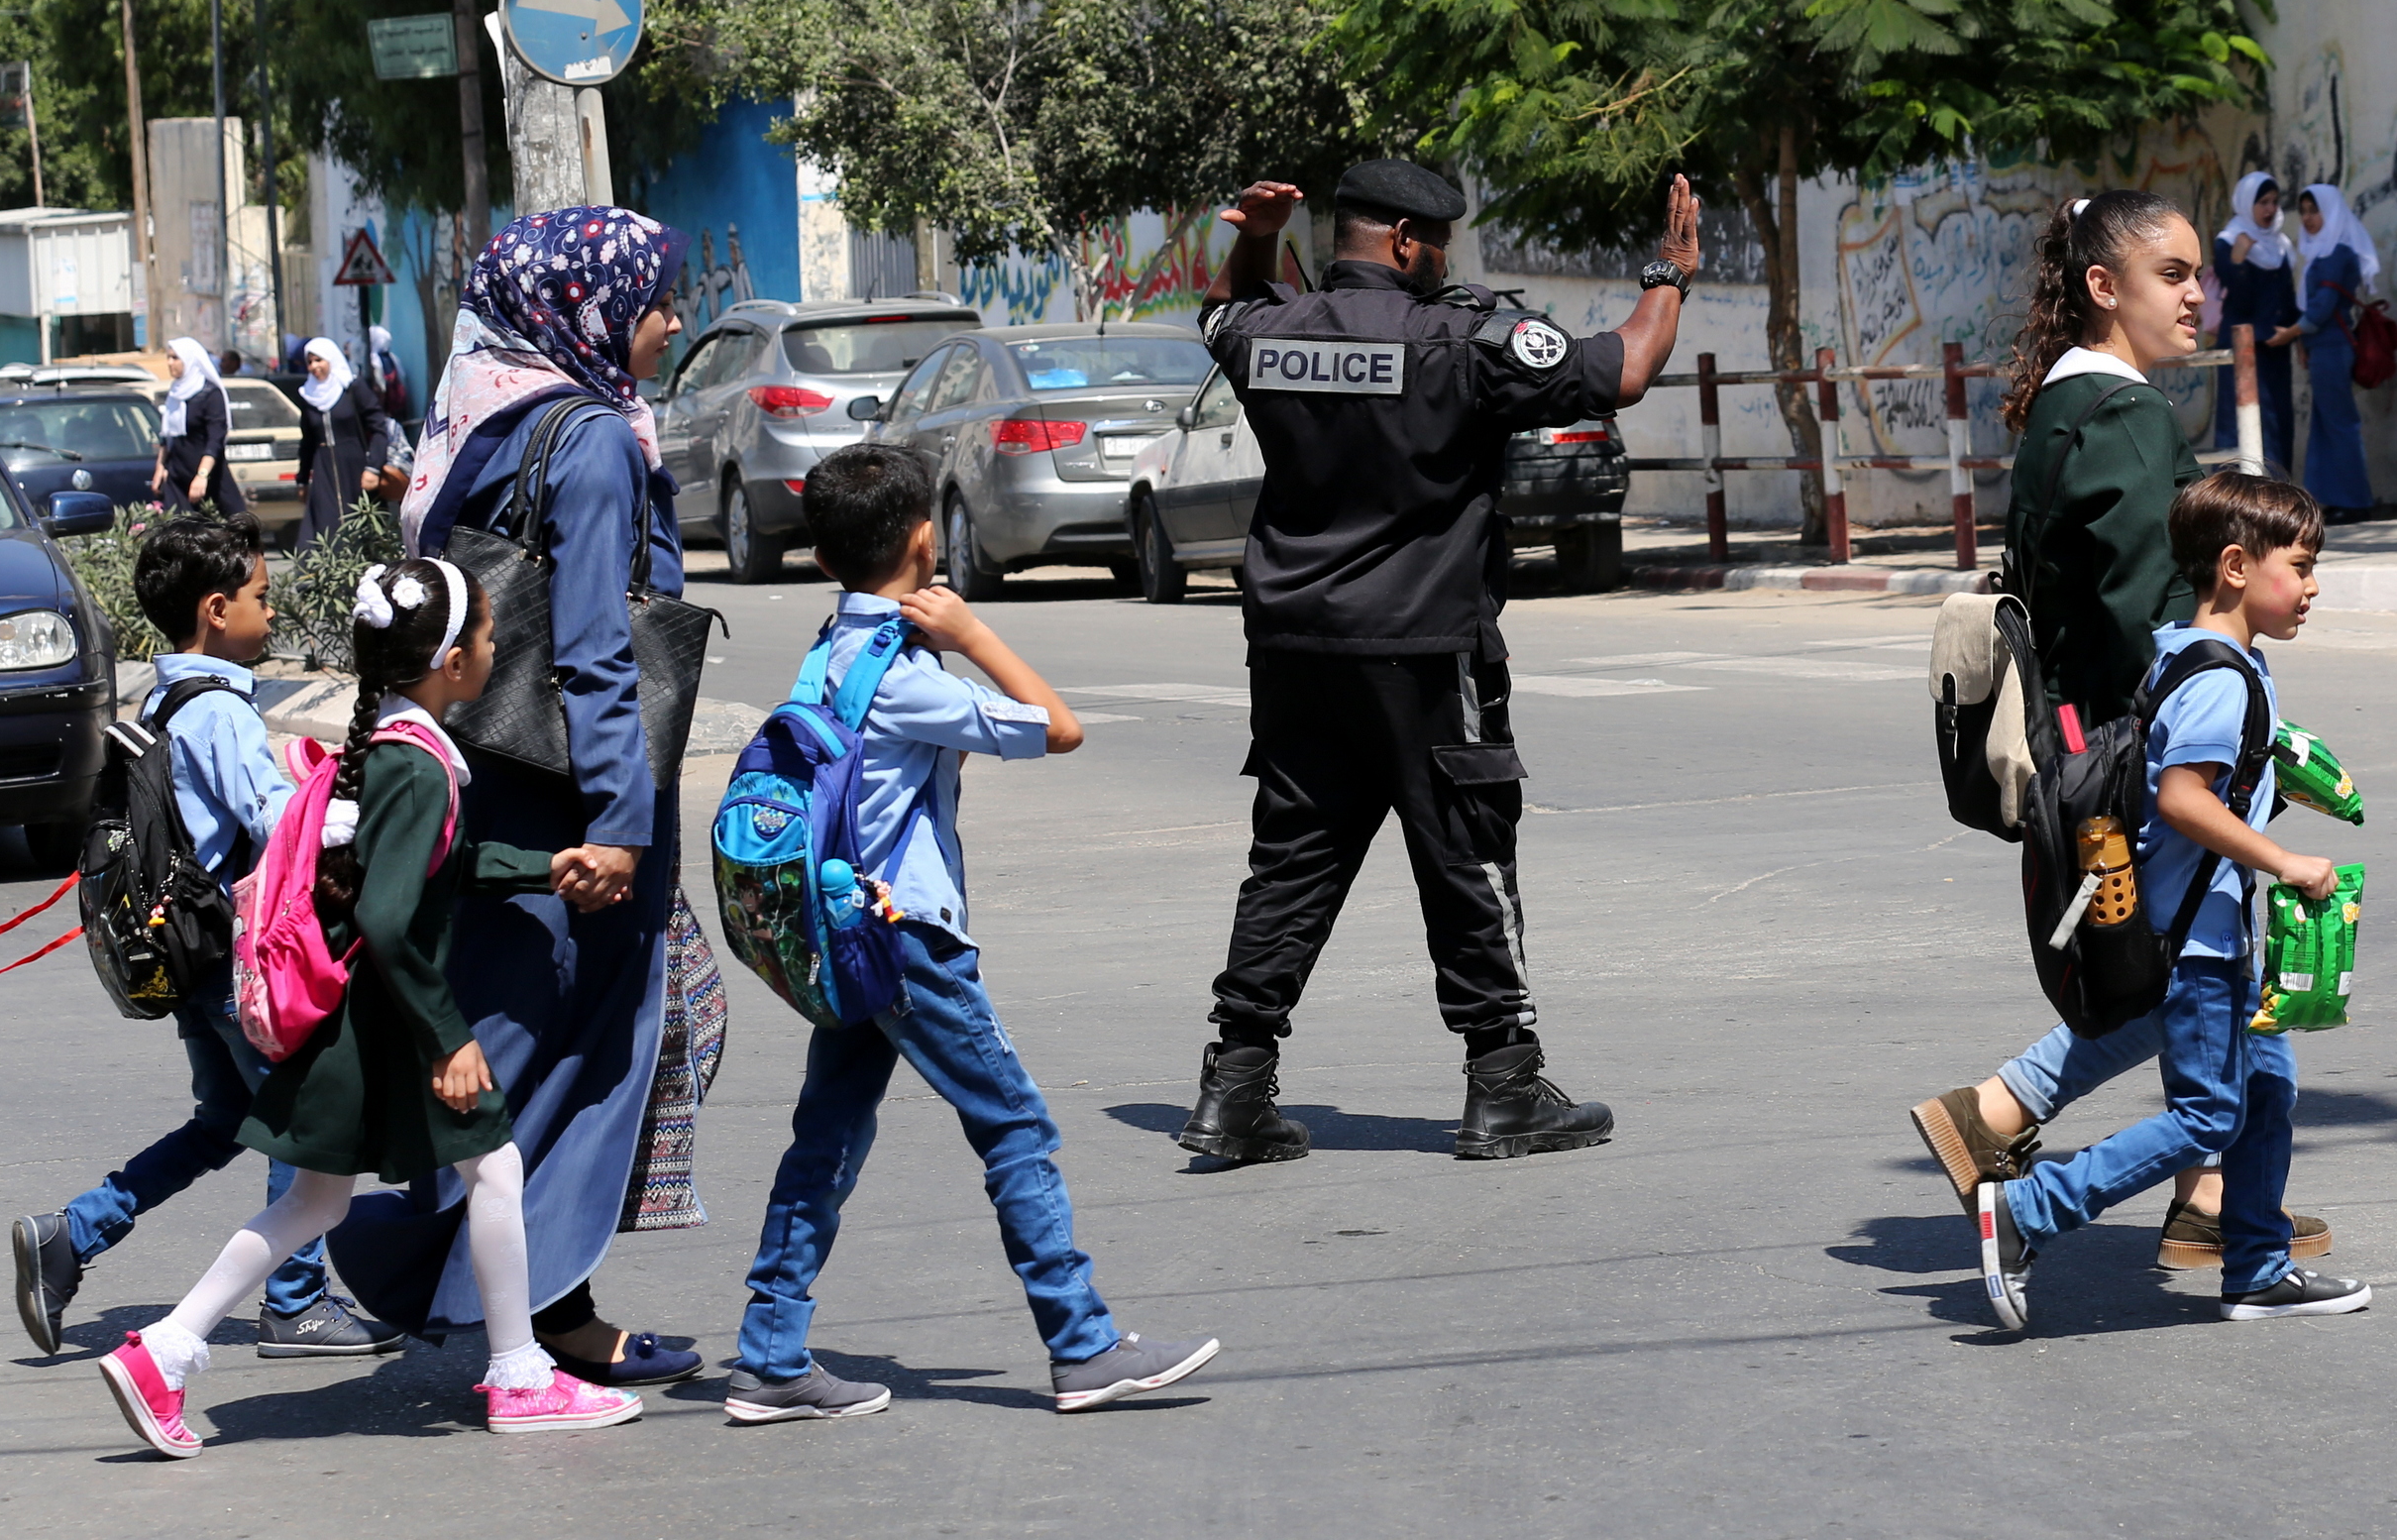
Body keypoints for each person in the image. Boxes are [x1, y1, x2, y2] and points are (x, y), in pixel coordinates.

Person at [1171, 160, 1697, 1166]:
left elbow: (1222, 312)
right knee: (1465, 851)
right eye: (1440, 241)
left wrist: (1253, 237)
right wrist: (1667, 272)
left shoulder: (1274, 338)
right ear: (1410, 242)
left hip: (1295, 648)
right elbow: (1625, 368)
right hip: (1422, 647)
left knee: (1293, 861)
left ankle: (1233, 1088)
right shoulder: (1463, 339)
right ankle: (1504, 1084)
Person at [95, 560, 648, 1457]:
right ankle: (518, 1375)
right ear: (453, 661)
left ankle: (166, 1347)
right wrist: (450, 1039)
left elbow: (426, 871)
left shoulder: (393, 743)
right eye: (486, 634)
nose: (494, 645)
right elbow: (393, 919)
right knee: (497, 1171)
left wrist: (543, 866)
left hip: (353, 1019)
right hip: (390, 1020)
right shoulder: (421, 764)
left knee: (314, 1205)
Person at [723, 446, 1222, 1422]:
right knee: (1017, 1124)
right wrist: (971, 629)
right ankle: (1082, 1345)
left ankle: (770, 1352)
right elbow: (1059, 725)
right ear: (923, 541)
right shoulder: (904, 677)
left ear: (824, 563)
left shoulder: (826, 653)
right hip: (907, 939)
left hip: (841, 931)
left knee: (825, 1136)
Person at [1908, 191, 2333, 1273]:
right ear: (2105, 288)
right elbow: (2157, 609)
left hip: (2083, 741)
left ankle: (2210, 1193)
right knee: (2194, 967)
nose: (2200, 295)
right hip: (2133, 754)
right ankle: (2003, 1120)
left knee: (2177, 975)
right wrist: (2227, 716)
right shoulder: (2129, 415)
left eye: (2201, 274)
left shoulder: (2062, 407)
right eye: (2174, 276)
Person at [339, 206, 704, 1387]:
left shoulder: (483, 416)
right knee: (592, 1047)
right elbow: (598, 651)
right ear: (592, 312)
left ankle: (511, 1301)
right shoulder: (593, 439)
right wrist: (619, 825)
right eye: (656, 303)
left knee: (519, 1045)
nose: (671, 323)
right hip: (568, 799)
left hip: (481, 779)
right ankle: (504, 1307)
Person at [1975, 472, 2372, 1333]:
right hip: (2194, 940)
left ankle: (2258, 1264)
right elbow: (2185, 798)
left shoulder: (2202, 659)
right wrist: (2286, 861)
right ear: (2235, 565)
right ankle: (2027, 1210)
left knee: (2266, 1090)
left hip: (2214, 931)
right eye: (2300, 566)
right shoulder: (2221, 679)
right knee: (2208, 1113)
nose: (2312, 586)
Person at [11, 518, 404, 1363]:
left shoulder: (163, 696)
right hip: (238, 963)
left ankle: (70, 1234)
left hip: (188, 958)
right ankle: (294, 1301)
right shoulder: (221, 708)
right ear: (217, 610)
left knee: (227, 1120)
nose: (273, 611)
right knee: (303, 1118)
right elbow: (272, 825)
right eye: (262, 598)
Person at [2279, 182, 2375, 519]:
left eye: (2314, 210)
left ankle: (2355, 501)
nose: (2307, 218)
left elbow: (2321, 307)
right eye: (2303, 211)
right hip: (2320, 347)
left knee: (2339, 423)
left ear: (2331, 211)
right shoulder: (2318, 252)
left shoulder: (2339, 253)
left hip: (2334, 346)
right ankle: (2332, 498)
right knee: (2324, 423)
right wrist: (2303, 342)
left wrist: (2290, 334)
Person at [2210, 170, 2297, 474]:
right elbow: (2240, 298)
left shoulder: (2281, 245)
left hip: (2276, 350)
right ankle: (2234, 501)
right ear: (2247, 204)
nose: (2270, 209)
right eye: (2262, 202)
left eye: (2274, 202)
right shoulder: (2229, 241)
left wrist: (2293, 334)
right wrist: (2238, 260)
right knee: (2239, 426)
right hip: (2242, 349)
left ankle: (2275, 500)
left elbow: (2287, 297)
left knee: (2278, 423)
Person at [294, 336, 396, 547]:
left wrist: (373, 467)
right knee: (325, 527)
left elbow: (378, 428)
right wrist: (302, 480)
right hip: (323, 471)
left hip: (356, 467)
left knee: (361, 526)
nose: (314, 367)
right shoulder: (308, 396)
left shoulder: (352, 388)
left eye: (319, 360)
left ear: (331, 359)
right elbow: (307, 442)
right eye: (310, 362)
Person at [154, 338, 247, 518]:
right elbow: (167, 435)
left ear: (189, 360)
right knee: (178, 531)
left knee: (237, 525)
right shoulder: (175, 393)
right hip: (177, 474)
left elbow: (215, 439)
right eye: (168, 357)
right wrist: (160, 467)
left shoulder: (209, 394)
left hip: (209, 475)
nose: (169, 363)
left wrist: (202, 475)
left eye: (175, 358)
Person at [368, 325, 415, 433]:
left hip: (384, 406)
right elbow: (402, 377)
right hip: (397, 405)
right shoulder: (393, 358)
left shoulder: (374, 360)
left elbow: (380, 385)